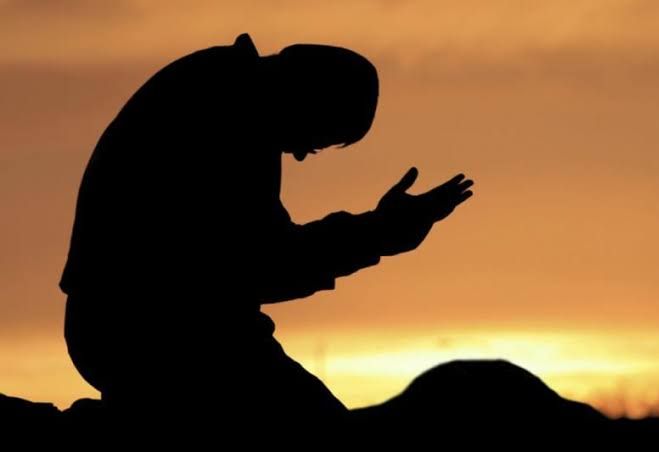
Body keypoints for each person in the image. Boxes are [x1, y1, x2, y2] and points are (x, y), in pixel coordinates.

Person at [60, 33, 473, 430]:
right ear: (308, 96)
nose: (299, 155)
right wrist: (380, 232)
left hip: (138, 328)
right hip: (160, 334)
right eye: (316, 138)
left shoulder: (222, 89)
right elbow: (269, 265)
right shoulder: (228, 113)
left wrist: (379, 232)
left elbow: (261, 260)